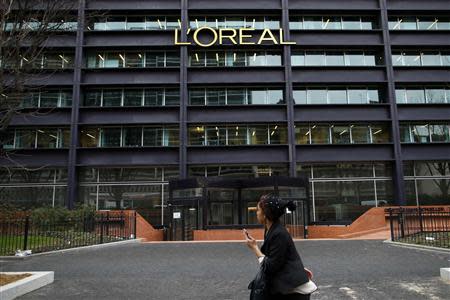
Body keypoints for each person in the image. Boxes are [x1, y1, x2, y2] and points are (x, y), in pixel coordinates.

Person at [244, 194, 315, 300]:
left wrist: (255, 248)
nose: (256, 213)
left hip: (294, 292)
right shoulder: (271, 229)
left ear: (265, 215)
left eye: (258, 210)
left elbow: (270, 267)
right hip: (285, 287)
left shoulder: (278, 233)